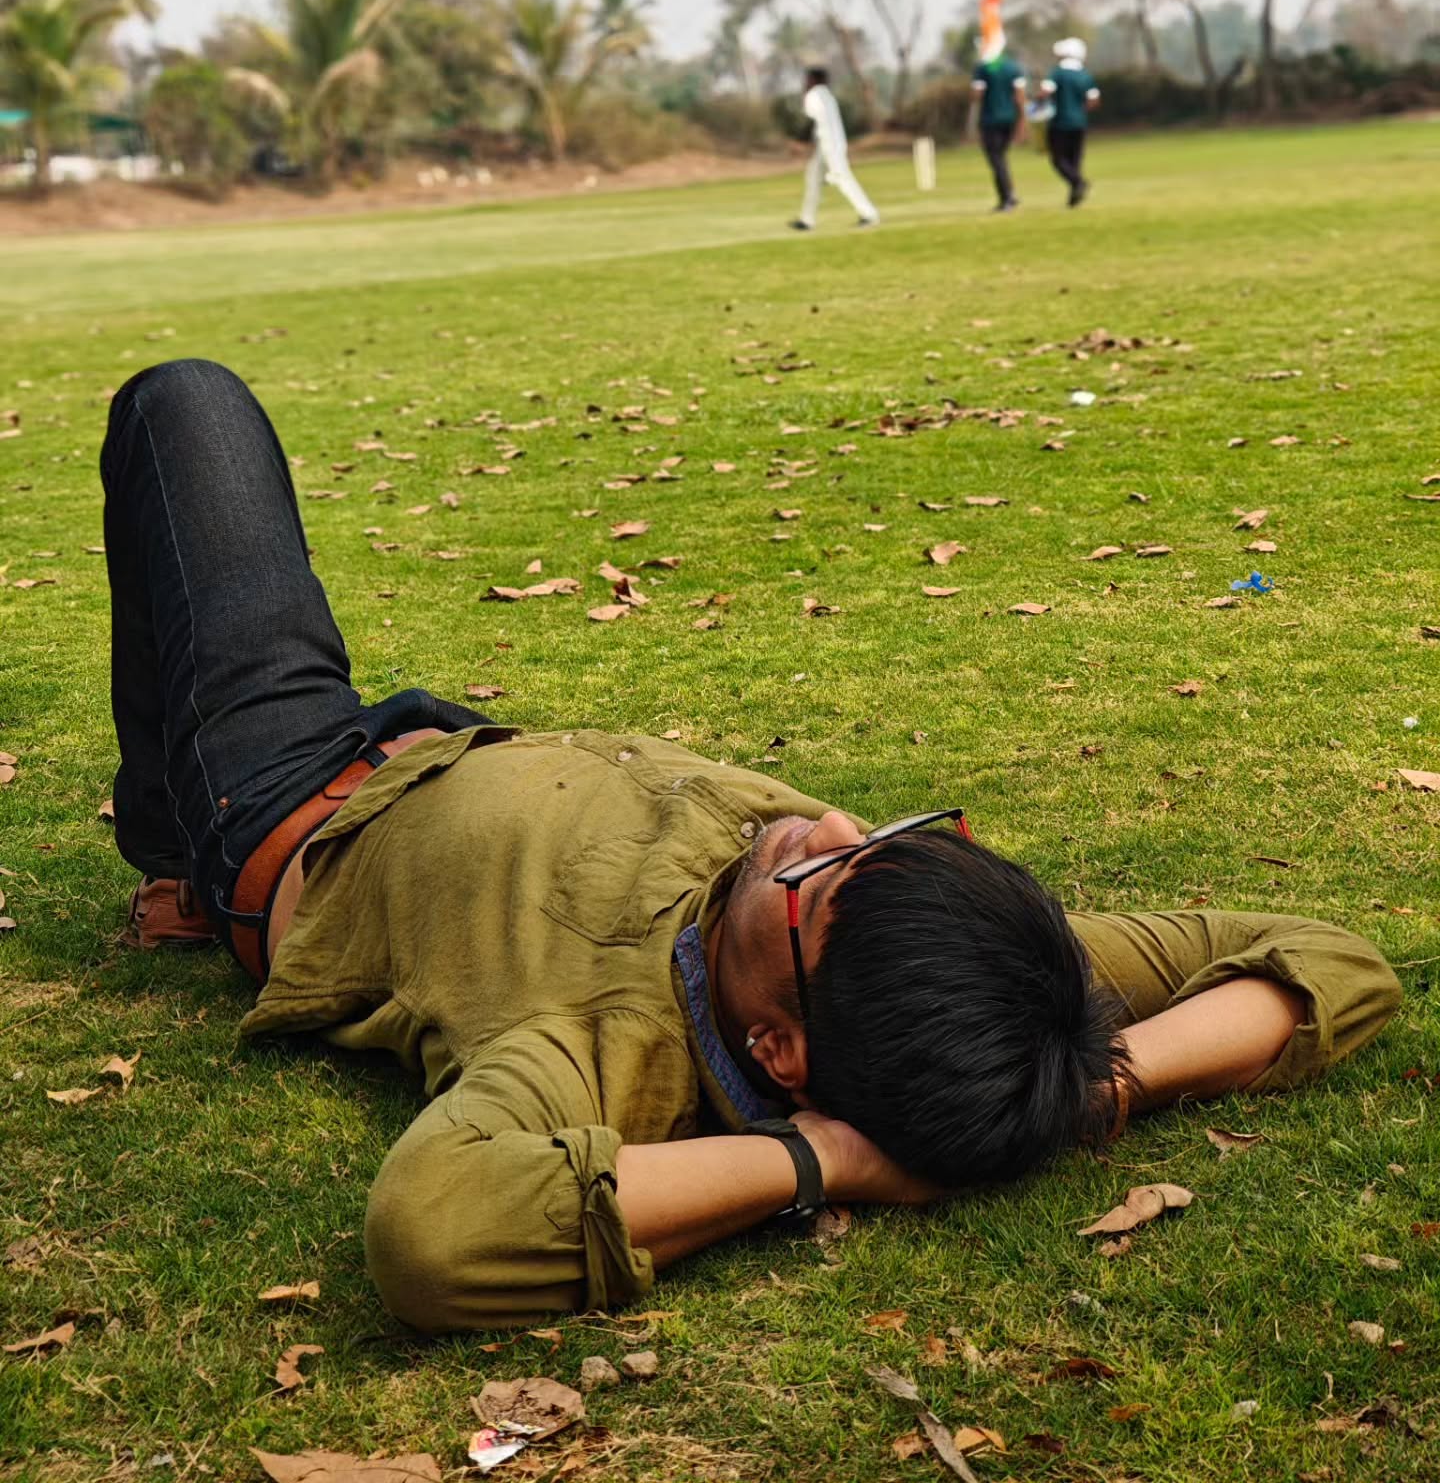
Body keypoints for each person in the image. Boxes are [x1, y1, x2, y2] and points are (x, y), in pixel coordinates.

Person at [105, 362, 1402, 1330]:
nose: (826, 827)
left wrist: (821, 1162)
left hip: (302, 796)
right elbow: (1334, 963)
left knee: (184, 407)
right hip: (456, 735)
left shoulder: (595, 1052)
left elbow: (431, 1236)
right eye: (882, 839)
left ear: (776, 1047)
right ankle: (171, 822)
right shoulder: (976, 989)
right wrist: (1080, 1096)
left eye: (814, 881)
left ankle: (175, 841)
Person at [791, 66, 879, 231]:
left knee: (842, 179)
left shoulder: (813, 95)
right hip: (830, 145)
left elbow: (811, 121)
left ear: (813, 80)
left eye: (807, 79)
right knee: (813, 179)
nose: (805, 83)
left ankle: (869, 214)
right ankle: (806, 220)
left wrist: (799, 141)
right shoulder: (827, 96)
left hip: (829, 147)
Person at [967, 0, 1028, 212]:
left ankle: (1007, 198)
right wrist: (1022, 122)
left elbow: (976, 96)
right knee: (1001, 158)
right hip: (1009, 118)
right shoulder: (1012, 66)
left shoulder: (983, 68)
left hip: (991, 120)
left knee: (996, 160)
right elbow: (1020, 97)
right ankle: (1009, 194)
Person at [1041, 37, 1100, 206]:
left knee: (1058, 159)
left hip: (1059, 123)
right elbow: (1093, 100)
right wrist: (1079, 110)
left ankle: (1078, 183)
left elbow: (1045, 91)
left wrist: (1039, 102)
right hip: (1079, 123)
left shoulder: (1057, 73)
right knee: (1075, 160)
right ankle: (1074, 196)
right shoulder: (1084, 75)